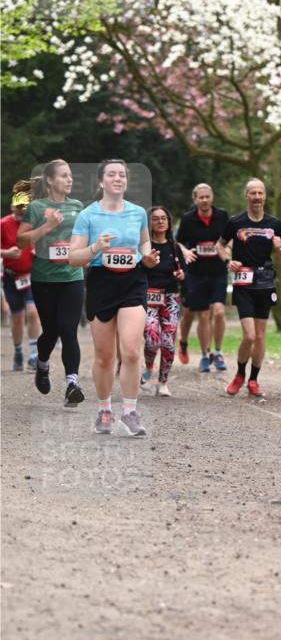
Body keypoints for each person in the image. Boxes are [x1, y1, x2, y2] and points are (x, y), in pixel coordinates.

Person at [68, 159, 159, 436]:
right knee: (105, 357)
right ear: (101, 181)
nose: (118, 178)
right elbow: (73, 257)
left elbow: (145, 241)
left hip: (133, 282)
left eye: (122, 175)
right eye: (112, 174)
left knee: (131, 351)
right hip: (101, 283)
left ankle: (130, 413)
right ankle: (104, 410)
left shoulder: (138, 213)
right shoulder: (88, 215)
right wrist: (96, 246)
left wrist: (148, 255)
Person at [17, 160, 85, 408]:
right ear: (50, 180)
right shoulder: (36, 207)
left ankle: (71, 384)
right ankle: (42, 364)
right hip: (44, 278)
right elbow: (22, 240)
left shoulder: (77, 206)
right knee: (52, 331)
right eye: (64, 176)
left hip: (72, 277)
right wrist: (47, 226)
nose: (70, 180)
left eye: (71, 176)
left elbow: (84, 236)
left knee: (69, 330)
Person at [224, 179, 281, 397]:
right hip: (243, 283)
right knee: (249, 336)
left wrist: (279, 249)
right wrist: (227, 261)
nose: (257, 197)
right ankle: (240, 374)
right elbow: (219, 246)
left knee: (260, 336)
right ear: (247, 196)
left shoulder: (275, 224)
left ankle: (253, 380)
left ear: (265, 197)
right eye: (253, 193)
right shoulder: (235, 222)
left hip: (265, 282)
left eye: (260, 193)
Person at [176, 184, 229, 372]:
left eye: (207, 196)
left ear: (212, 197)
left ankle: (218, 352)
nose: (205, 200)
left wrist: (227, 249)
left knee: (220, 312)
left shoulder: (222, 216)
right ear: (195, 199)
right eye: (201, 197)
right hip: (196, 274)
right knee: (204, 315)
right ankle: (205, 355)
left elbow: (229, 237)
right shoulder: (188, 219)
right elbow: (178, 240)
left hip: (218, 271)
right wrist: (184, 250)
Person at [141, 206, 185, 396]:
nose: (160, 221)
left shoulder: (174, 247)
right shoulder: (144, 246)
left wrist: (182, 273)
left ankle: (163, 381)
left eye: (163, 218)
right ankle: (149, 367)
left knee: (168, 342)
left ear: (168, 222)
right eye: (155, 218)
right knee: (152, 339)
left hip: (170, 298)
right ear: (149, 223)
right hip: (148, 296)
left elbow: (183, 270)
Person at [1, 182, 40, 371]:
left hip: (31, 276)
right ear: (12, 207)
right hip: (11, 277)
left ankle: (33, 355)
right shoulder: (3, 224)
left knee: (33, 313)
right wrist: (6, 253)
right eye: (18, 208)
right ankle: (18, 351)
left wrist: (37, 252)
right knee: (17, 318)